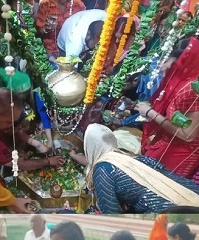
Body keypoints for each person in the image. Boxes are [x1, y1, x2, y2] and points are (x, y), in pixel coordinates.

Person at [84, 124, 199, 212]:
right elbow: (162, 169)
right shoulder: (133, 156)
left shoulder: (102, 169)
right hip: (191, 193)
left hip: (167, 213)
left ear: (89, 148)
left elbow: (110, 212)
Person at [135, 37, 199, 178]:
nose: (162, 66)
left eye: (167, 61)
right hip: (166, 143)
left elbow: (187, 135)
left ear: (182, 61)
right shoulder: (180, 82)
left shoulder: (192, 90)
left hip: (177, 154)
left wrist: (151, 113)